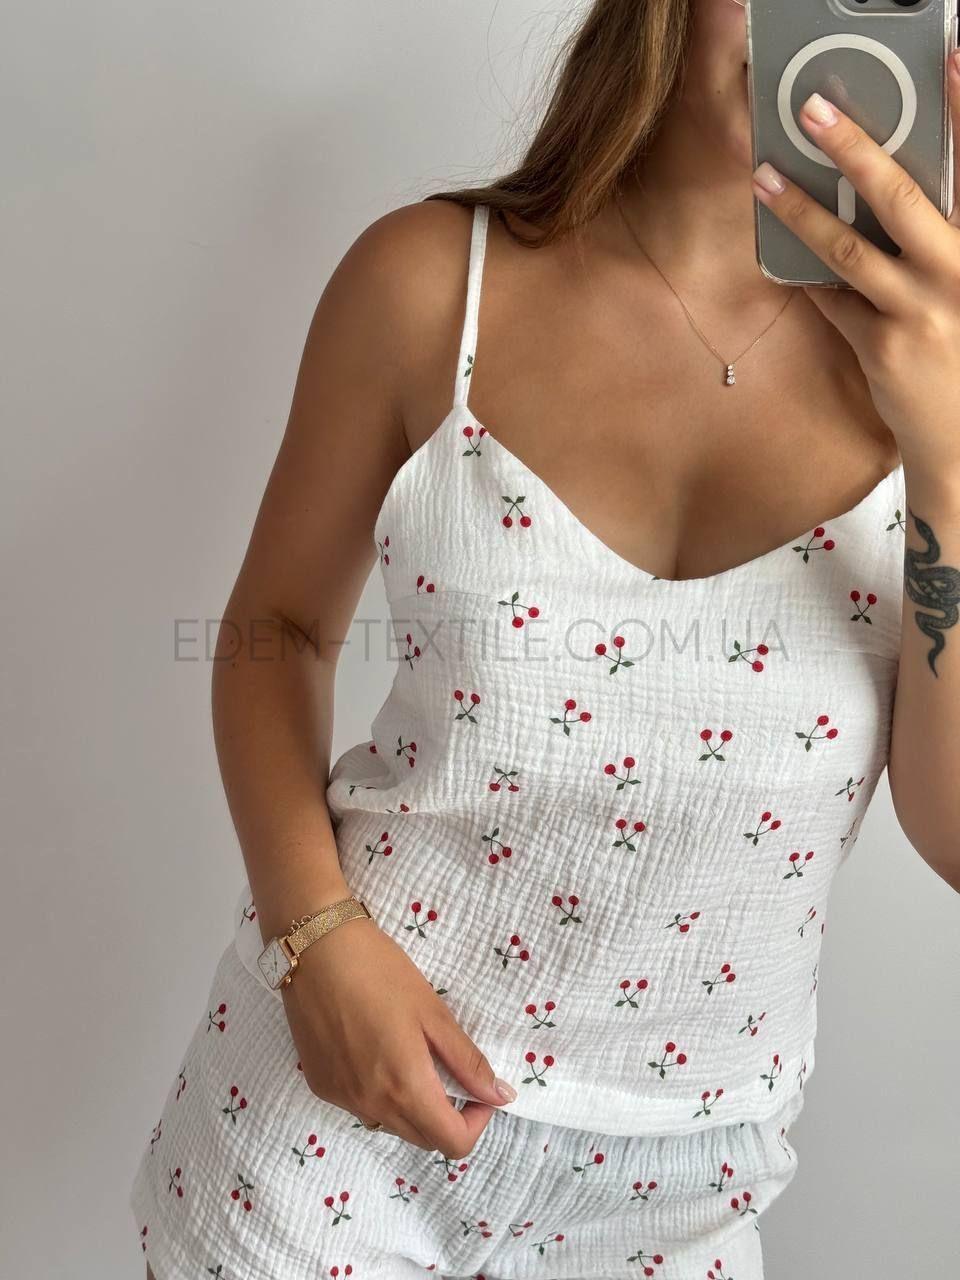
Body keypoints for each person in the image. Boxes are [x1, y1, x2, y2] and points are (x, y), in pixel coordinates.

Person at [129, 1, 960, 1276]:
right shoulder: (430, 282)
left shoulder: (939, 375)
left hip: (683, 1187)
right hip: (333, 1124)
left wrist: (946, 447)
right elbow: (273, 630)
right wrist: (314, 941)